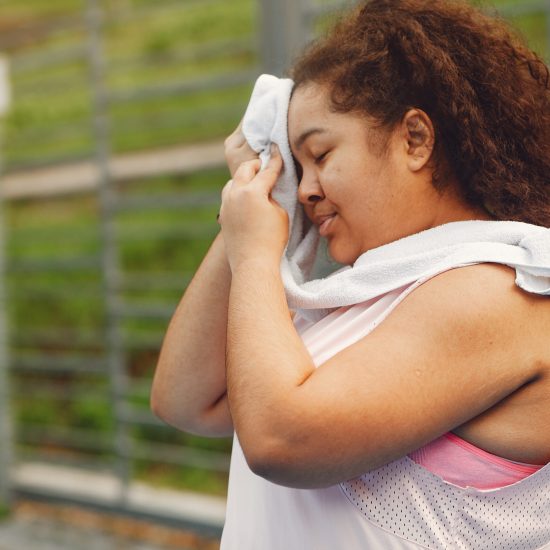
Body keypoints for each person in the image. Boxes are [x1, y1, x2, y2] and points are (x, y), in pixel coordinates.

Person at [151, 0, 550, 547]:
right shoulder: (367, 298)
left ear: (415, 139)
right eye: (297, 169)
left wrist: (253, 256)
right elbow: (186, 400)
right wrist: (256, 205)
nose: (306, 188)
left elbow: (280, 439)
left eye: (320, 153)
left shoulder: (500, 289)